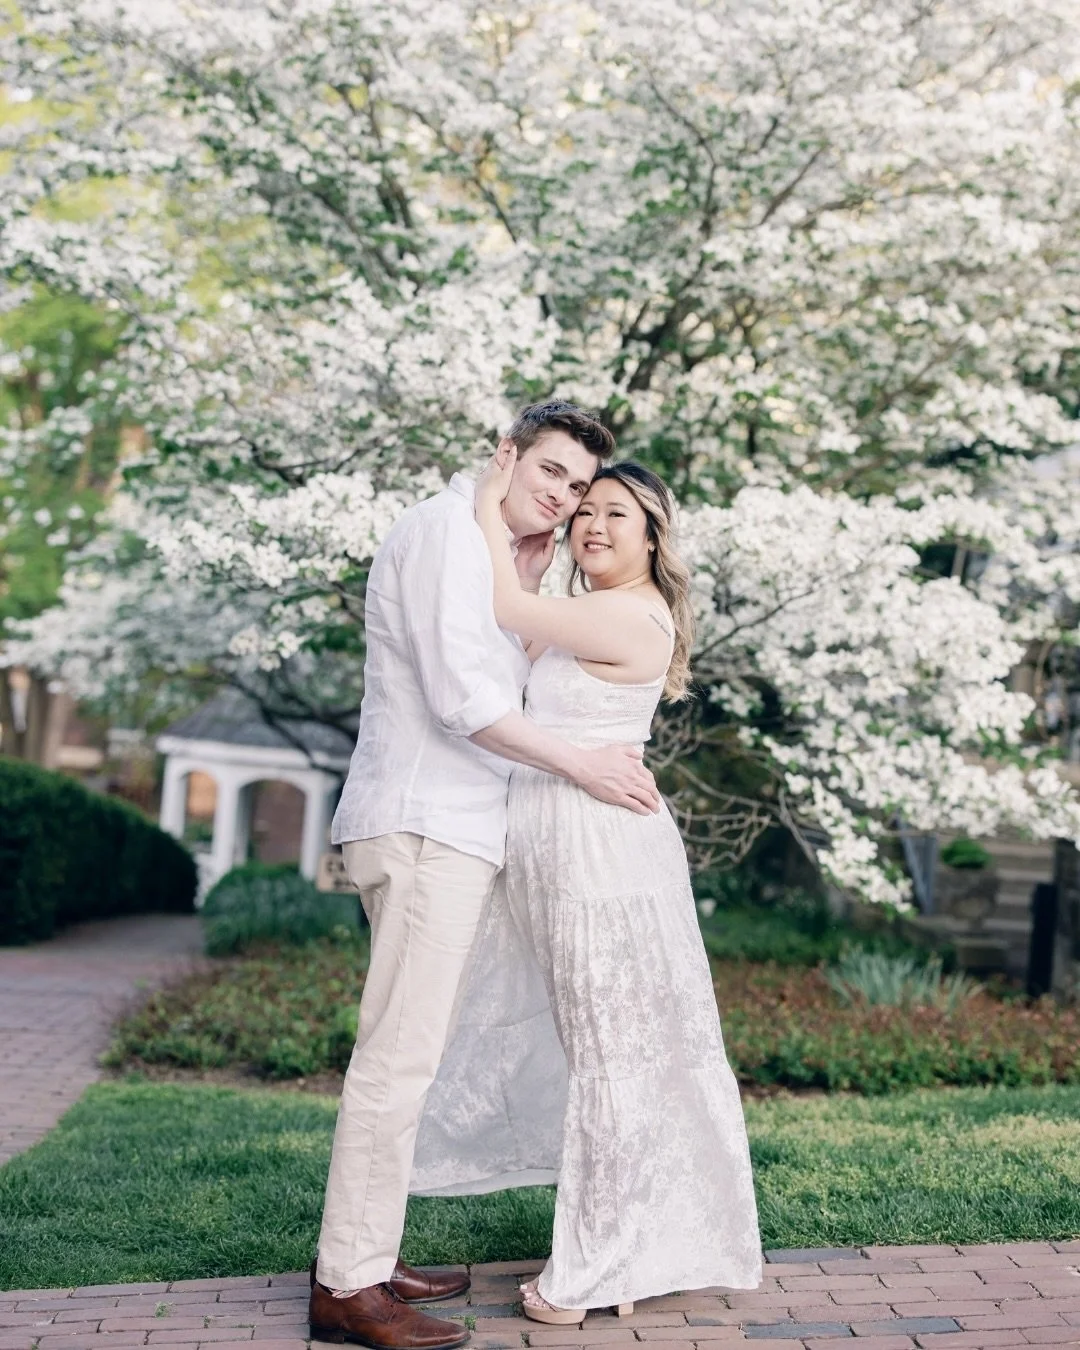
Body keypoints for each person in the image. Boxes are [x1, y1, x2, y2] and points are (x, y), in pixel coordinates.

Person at [309, 402, 661, 1350]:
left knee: (410, 1054)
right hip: (425, 825)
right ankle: (346, 1286)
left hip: (452, 829)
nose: (564, 497)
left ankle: (369, 1256)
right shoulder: (444, 534)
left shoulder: (491, 551)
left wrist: (528, 586)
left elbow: (493, 672)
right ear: (506, 456)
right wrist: (583, 766)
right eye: (550, 472)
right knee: (397, 1059)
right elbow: (462, 699)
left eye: (579, 486)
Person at [411, 450, 762, 1320]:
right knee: (601, 1051)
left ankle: (602, 1266)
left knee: (613, 1054)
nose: (592, 524)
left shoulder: (632, 615)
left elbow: (505, 610)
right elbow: (513, 652)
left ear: (653, 538)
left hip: (600, 853)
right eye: (585, 510)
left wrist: (490, 499)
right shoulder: (588, 609)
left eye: (616, 514)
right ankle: (644, 1242)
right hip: (556, 844)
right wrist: (531, 563)